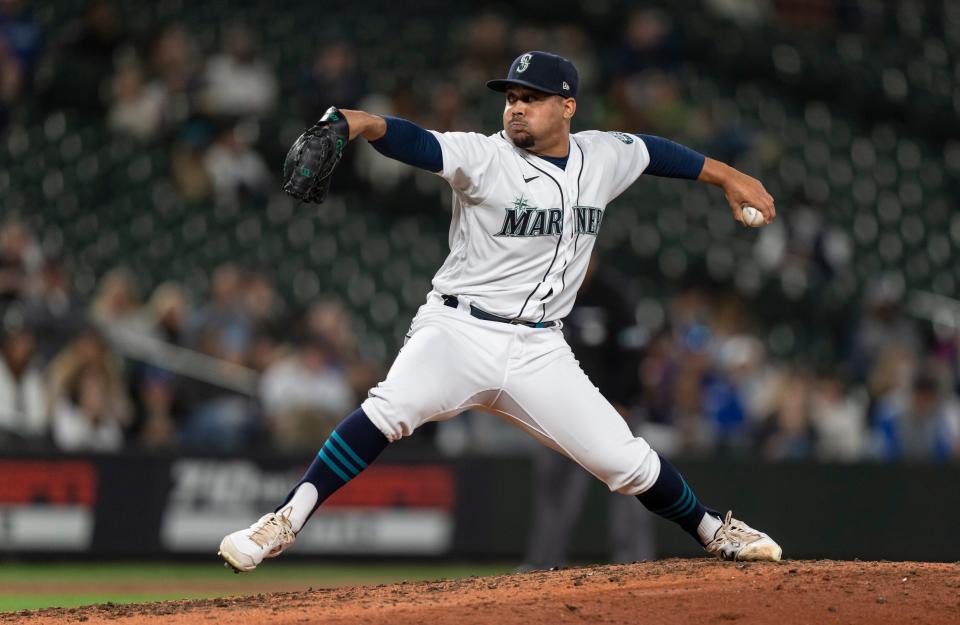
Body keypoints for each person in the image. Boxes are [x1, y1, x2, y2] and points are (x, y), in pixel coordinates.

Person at [218, 51, 781, 572]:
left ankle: (714, 531)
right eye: (511, 97)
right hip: (459, 329)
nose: (515, 107)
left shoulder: (602, 156)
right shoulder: (485, 156)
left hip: (540, 348)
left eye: (530, 98)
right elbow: (417, 142)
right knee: (390, 410)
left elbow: (659, 153)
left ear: (567, 107)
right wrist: (360, 122)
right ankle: (282, 522)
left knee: (626, 461)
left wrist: (730, 177)